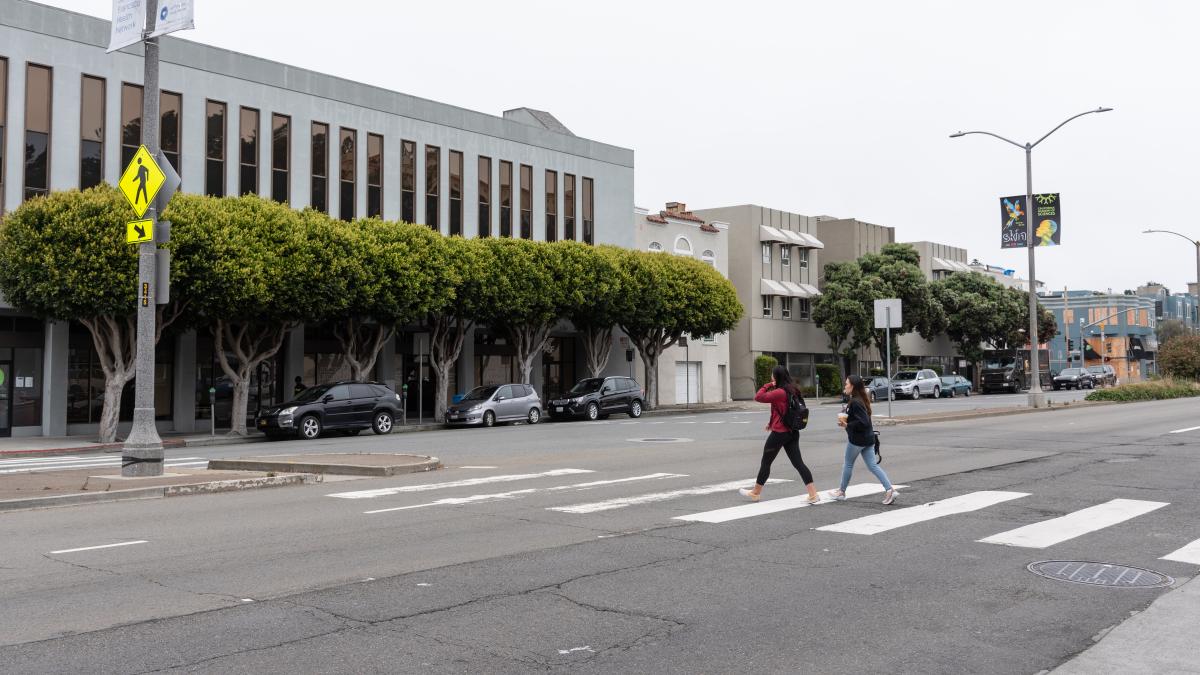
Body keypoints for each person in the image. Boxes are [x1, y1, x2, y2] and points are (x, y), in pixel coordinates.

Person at [738, 365, 820, 503]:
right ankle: (813, 494)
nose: (771, 377)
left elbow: (758, 397)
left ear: (776, 377)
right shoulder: (793, 390)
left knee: (766, 462)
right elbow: (781, 410)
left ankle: (755, 493)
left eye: (772, 375)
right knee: (798, 463)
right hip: (792, 432)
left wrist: (769, 384)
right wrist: (771, 422)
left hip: (780, 433)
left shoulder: (780, 392)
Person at [831, 374, 897, 505]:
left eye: (847, 383)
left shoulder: (856, 401)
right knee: (873, 466)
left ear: (853, 386)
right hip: (868, 439)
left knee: (848, 464)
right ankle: (890, 490)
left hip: (857, 439)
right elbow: (862, 420)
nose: (845, 385)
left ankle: (841, 492)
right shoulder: (860, 399)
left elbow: (864, 422)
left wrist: (847, 424)